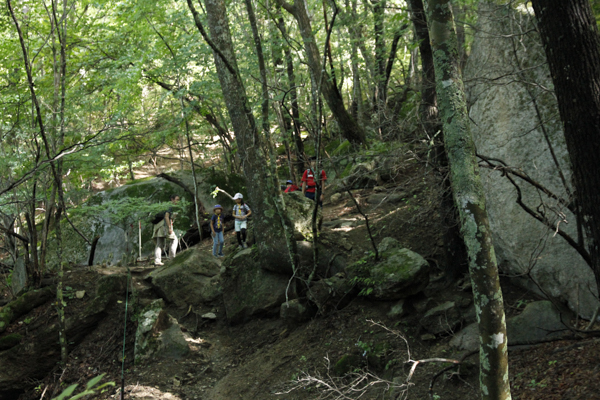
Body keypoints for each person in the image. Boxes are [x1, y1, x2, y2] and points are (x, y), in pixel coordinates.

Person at [152, 194, 180, 266]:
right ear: (172, 199)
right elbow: (166, 216)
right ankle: (172, 258)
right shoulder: (169, 206)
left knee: (159, 244)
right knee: (174, 240)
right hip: (164, 226)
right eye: (177, 199)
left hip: (158, 226)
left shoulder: (165, 206)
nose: (178, 201)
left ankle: (157, 261)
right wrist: (169, 228)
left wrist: (173, 217)